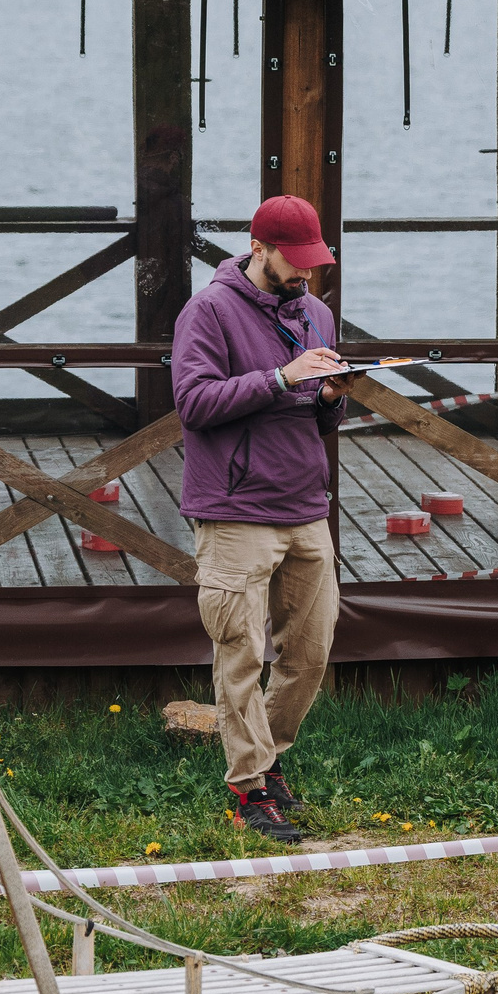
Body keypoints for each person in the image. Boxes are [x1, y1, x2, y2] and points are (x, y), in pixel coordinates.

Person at [170, 195, 354, 843]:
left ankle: (268, 761)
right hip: (234, 510)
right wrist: (280, 377)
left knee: (310, 652)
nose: (306, 272)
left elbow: (318, 418)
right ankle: (248, 788)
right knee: (241, 653)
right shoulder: (208, 311)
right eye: (295, 260)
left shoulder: (317, 314)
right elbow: (193, 403)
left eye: (314, 261)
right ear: (259, 248)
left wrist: (330, 397)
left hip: (305, 506)